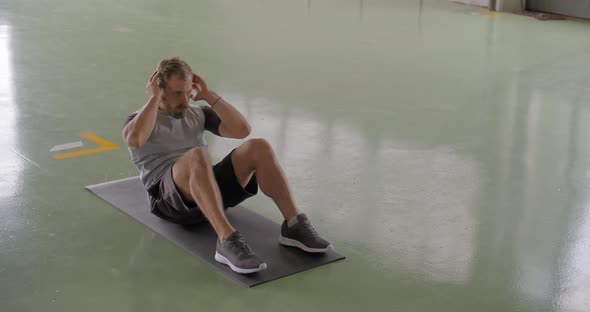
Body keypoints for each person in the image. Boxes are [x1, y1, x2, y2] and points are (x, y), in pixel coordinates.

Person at [122, 57, 332, 274]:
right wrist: (153, 100)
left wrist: (208, 95)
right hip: (170, 203)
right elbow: (135, 139)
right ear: (160, 90)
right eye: (177, 93)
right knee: (197, 155)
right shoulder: (139, 118)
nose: (185, 99)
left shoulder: (197, 113)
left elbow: (242, 130)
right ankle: (226, 240)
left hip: (205, 192)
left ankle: (293, 224)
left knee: (259, 146)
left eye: (187, 92)